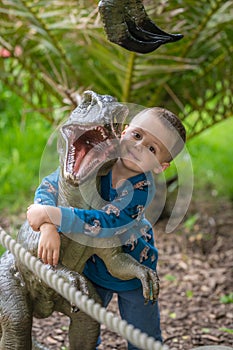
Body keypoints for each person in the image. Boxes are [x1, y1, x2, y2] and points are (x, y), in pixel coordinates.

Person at [27, 107, 186, 349]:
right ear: (123, 132)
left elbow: (105, 222)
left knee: (142, 332)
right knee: (85, 323)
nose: (139, 146)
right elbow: (53, 184)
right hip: (90, 266)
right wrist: (48, 225)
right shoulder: (97, 160)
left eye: (152, 148)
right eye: (137, 135)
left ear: (160, 166)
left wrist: (54, 215)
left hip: (130, 269)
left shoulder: (140, 191)